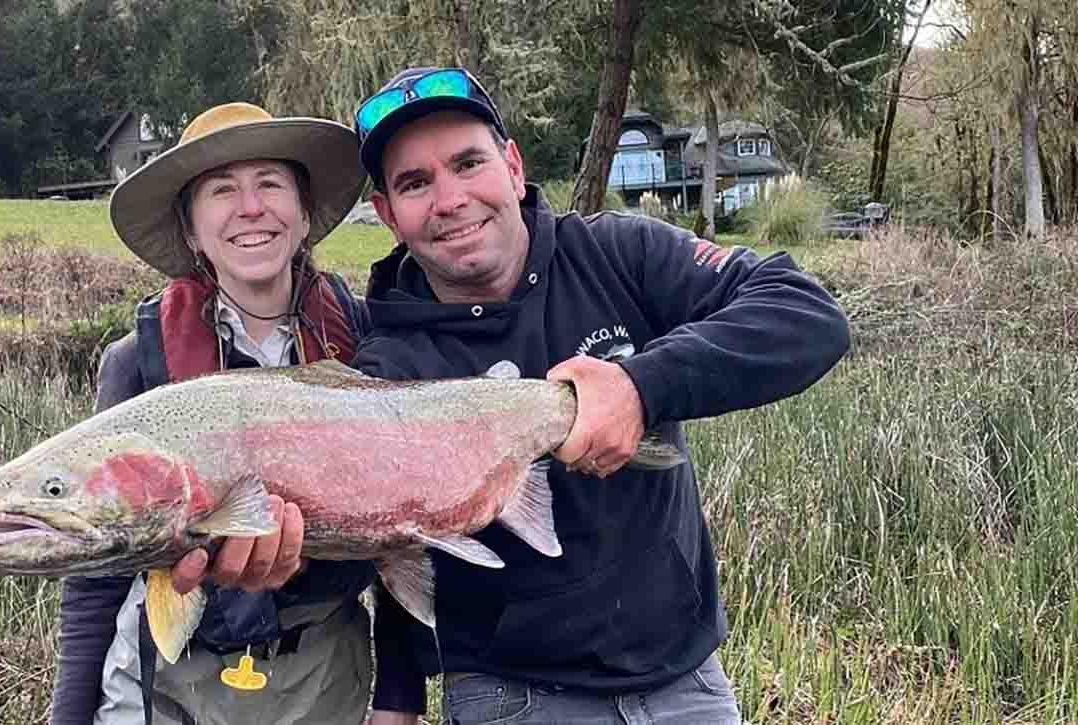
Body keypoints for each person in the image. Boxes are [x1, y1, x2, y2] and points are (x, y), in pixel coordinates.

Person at [348, 67, 851, 724]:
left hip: (686, 685)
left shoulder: (620, 252)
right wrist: (398, 698)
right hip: (512, 695)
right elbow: (396, 537)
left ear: (512, 164)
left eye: (467, 163)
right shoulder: (386, 361)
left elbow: (808, 313)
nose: (450, 199)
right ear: (387, 212)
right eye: (415, 183)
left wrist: (640, 386)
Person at [50, 102, 376, 725]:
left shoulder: (366, 340)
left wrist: (399, 698)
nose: (250, 207)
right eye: (222, 190)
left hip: (323, 671)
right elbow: (94, 565)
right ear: (192, 230)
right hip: (170, 677)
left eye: (270, 184)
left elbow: (404, 534)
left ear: (305, 216)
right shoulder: (137, 364)